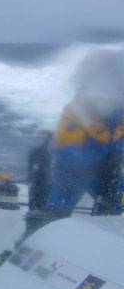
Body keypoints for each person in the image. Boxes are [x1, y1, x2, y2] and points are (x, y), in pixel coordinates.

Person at [43, 49, 124, 219]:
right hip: (74, 173)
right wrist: (103, 160)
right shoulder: (74, 112)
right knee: (56, 211)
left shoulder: (119, 114)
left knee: (116, 207)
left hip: (110, 177)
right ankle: (44, 231)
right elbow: (66, 150)